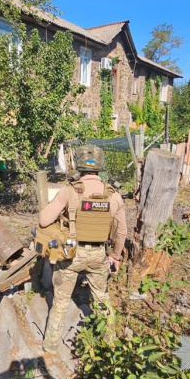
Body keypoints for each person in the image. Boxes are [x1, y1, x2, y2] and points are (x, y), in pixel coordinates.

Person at [38, 144, 127, 354]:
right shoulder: (113, 195)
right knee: (102, 300)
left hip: (70, 253)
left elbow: (43, 221)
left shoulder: (70, 190)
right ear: (101, 165)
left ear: (78, 163)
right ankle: (110, 346)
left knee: (60, 302)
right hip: (99, 255)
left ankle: (50, 347)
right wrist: (115, 257)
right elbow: (122, 232)